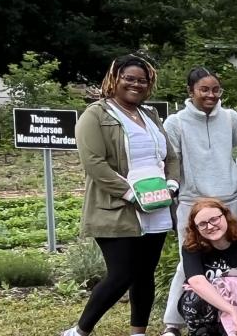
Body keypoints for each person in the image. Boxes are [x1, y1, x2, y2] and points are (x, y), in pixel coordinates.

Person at [64, 55, 181, 336]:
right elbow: (94, 163)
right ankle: (79, 331)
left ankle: (138, 332)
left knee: (144, 274)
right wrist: (130, 194)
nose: (136, 84)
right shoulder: (95, 115)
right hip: (116, 207)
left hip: (156, 205)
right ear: (114, 79)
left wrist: (172, 184)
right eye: (129, 78)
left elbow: (171, 155)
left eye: (142, 80)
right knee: (121, 274)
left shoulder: (150, 115)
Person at [161, 67, 237, 336]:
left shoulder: (231, 118)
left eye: (215, 89)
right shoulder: (175, 123)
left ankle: (229, 314)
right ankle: (173, 323)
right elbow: (171, 162)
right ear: (191, 92)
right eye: (204, 90)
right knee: (187, 261)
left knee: (231, 260)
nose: (211, 95)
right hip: (192, 201)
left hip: (229, 200)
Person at [173, 198, 237, 336]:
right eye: (202, 224)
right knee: (193, 298)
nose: (210, 226)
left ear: (226, 216)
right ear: (196, 229)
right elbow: (196, 281)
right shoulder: (192, 247)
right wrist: (230, 309)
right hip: (207, 306)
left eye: (214, 219)